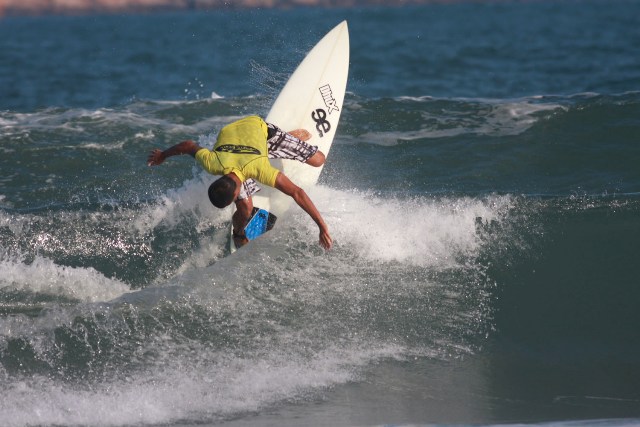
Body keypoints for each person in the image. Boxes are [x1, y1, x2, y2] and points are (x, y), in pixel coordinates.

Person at [147, 115, 332, 250]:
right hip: (231, 133)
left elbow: (297, 192)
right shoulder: (213, 163)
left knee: (318, 160)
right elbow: (188, 145)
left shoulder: (258, 167)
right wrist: (163, 155)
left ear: (235, 192)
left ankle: (286, 137)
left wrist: (322, 227)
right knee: (246, 209)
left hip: (256, 126)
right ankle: (239, 232)